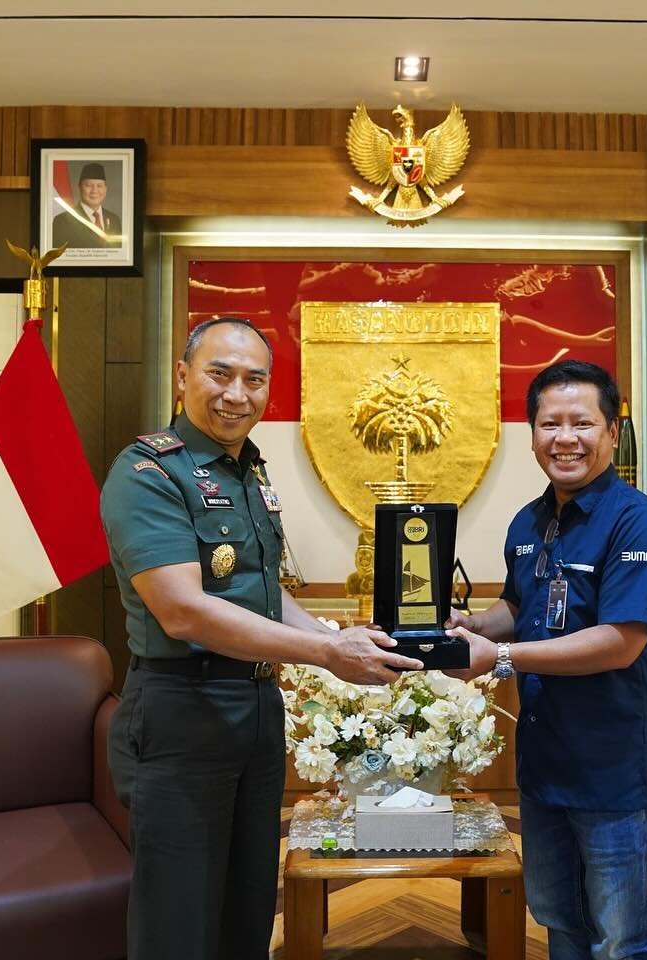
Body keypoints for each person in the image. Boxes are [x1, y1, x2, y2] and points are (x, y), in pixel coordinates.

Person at [101, 316, 422, 960]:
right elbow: (184, 612)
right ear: (183, 376)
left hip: (254, 710)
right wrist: (325, 652)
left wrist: (340, 636)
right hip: (182, 711)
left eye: (254, 380)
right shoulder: (149, 472)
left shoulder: (247, 469)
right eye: (219, 374)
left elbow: (262, 591)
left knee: (247, 907)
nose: (236, 394)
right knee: (178, 920)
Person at [446, 359, 647, 960]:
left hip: (610, 768)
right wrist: (470, 625)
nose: (565, 439)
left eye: (582, 423)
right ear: (531, 434)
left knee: (620, 938)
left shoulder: (640, 524)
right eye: (550, 424)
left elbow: (620, 641)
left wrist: (499, 657)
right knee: (558, 918)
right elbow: (519, 604)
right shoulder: (529, 522)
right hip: (544, 763)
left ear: (612, 432)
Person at [53, 161, 122, 248]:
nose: (94, 191)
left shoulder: (114, 220)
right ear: (79, 187)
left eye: (99, 186)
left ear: (105, 189)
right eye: (88, 185)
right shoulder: (62, 221)